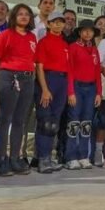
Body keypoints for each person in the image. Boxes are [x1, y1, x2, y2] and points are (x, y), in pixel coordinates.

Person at [0, 3, 38, 176]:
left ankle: (15, 159)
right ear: (14, 17)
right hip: (8, 77)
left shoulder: (32, 37)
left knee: (20, 121)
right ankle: (1, 159)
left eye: (27, 14)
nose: (24, 17)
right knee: (4, 120)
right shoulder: (4, 35)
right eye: (20, 14)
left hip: (28, 78)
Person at [34, 11, 71, 174]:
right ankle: (42, 159)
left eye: (61, 22)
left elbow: (69, 68)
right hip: (48, 80)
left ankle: (49, 157)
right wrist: (44, 89)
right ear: (48, 24)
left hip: (62, 83)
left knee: (54, 123)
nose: (58, 24)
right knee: (45, 121)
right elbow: (39, 67)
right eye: (55, 22)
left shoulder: (65, 44)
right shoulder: (43, 42)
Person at [65, 20, 102, 169]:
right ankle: (71, 156)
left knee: (86, 123)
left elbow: (97, 72)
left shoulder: (94, 50)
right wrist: (71, 92)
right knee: (74, 122)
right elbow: (69, 71)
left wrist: (99, 92)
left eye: (90, 31)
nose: (88, 33)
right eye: (84, 30)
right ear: (79, 32)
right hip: (77, 87)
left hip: (91, 88)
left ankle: (83, 155)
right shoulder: (73, 48)